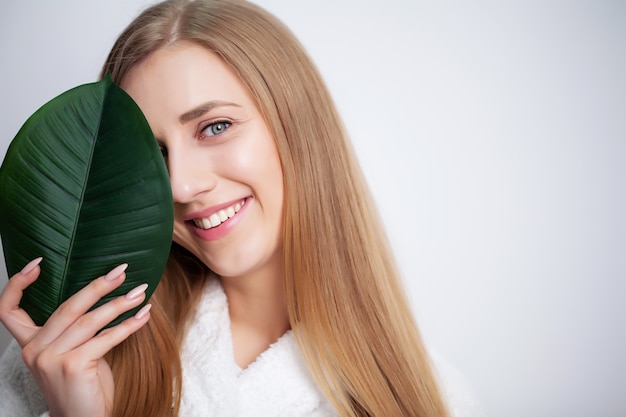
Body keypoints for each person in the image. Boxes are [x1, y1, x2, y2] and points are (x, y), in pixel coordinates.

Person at [0, 0, 483, 416]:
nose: (182, 185)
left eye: (215, 127)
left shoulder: (436, 395)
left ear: (297, 126)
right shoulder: (64, 357)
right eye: (154, 153)